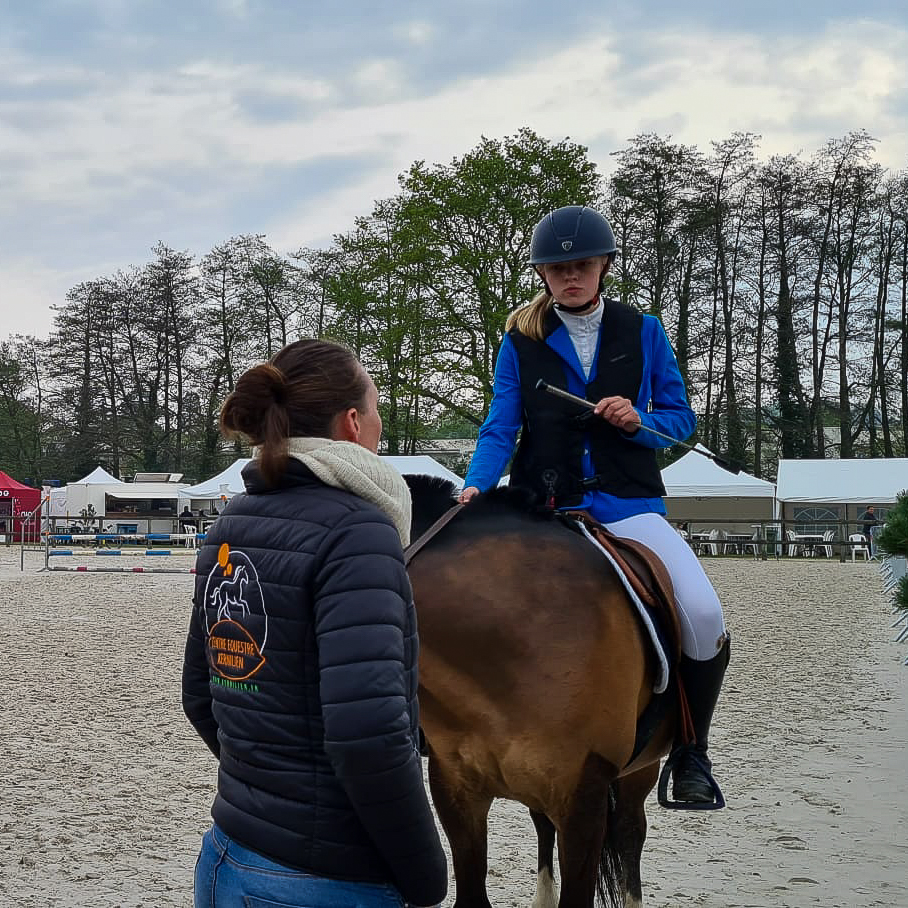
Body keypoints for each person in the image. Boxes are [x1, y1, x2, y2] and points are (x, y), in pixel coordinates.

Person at [459, 205, 730, 805]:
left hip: (628, 503)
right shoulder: (520, 341)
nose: (570, 276)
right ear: (543, 275)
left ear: (605, 265)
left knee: (705, 613)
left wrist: (640, 420)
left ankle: (691, 752)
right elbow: (500, 427)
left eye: (582, 265)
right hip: (544, 507)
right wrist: (477, 485)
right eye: (557, 269)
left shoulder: (646, 331)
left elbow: (680, 419)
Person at [182, 338, 447, 908]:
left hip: (228, 853)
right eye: (375, 408)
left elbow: (201, 696)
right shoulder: (359, 532)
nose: (379, 423)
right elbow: (368, 736)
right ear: (353, 423)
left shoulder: (232, 520)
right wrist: (425, 872)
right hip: (323, 879)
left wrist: (266, 792)